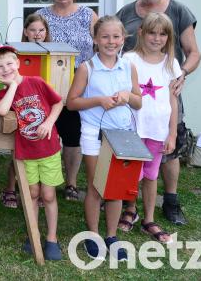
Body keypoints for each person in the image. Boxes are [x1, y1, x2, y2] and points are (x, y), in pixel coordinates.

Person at [116, 0, 201, 226]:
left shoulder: (178, 11)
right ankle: (131, 207)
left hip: (166, 92)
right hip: (134, 103)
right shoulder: (126, 13)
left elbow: (194, 52)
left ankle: (171, 202)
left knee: (169, 151)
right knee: (135, 161)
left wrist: (181, 74)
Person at [66, 15, 142, 261]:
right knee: (97, 186)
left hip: (121, 134)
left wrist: (127, 96)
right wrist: (99, 100)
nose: (111, 41)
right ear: (95, 39)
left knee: (116, 189)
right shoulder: (86, 67)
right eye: (105, 37)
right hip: (94, 134)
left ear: (123, 39)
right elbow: (72, 102)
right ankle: (93, 235)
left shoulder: (128, 66)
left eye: (116, 37)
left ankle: (111, 235)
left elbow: (138, 101)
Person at [0, 44, 64, 261]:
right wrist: (12, 85)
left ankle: (51, 238)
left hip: (48, 149)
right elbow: (3, 111)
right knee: (31, 193)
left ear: (18, 63)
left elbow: (58, 103)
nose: (5, 69)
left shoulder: (37, 82)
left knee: (48, 195)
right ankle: (34, 234)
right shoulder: (3, 94)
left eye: (9, 63)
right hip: (26, 152)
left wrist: (49, 123)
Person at [36, 0, 99, 202]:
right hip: (47, 84)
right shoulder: (41, 15)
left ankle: (71, 182)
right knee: (45, 132)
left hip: (78, 84)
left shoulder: (87, 15)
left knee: (73, 134)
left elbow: (101, 44)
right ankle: (46, 180)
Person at [118, 12, 180, 244]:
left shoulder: (171, 63)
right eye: (152, 32)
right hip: (134, 127)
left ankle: (149, 218)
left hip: (157, 130)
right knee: (132, 173)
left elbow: (173, 101)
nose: (156, 38)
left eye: (162, 34)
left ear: (168, 37)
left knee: (151, 175)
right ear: (141, 33)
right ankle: (130, 209)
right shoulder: (129, 59)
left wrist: (172, 133)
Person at [0, 13, 53, 209]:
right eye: (33, 30)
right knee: (19, 147)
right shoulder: (18, 53)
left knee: (39, 149)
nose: (37, 34)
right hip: (19, 100)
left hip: (39, 101)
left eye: (41, 30)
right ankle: (11, 187)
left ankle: (38, 191)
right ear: (25, 32)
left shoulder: (50, 51)